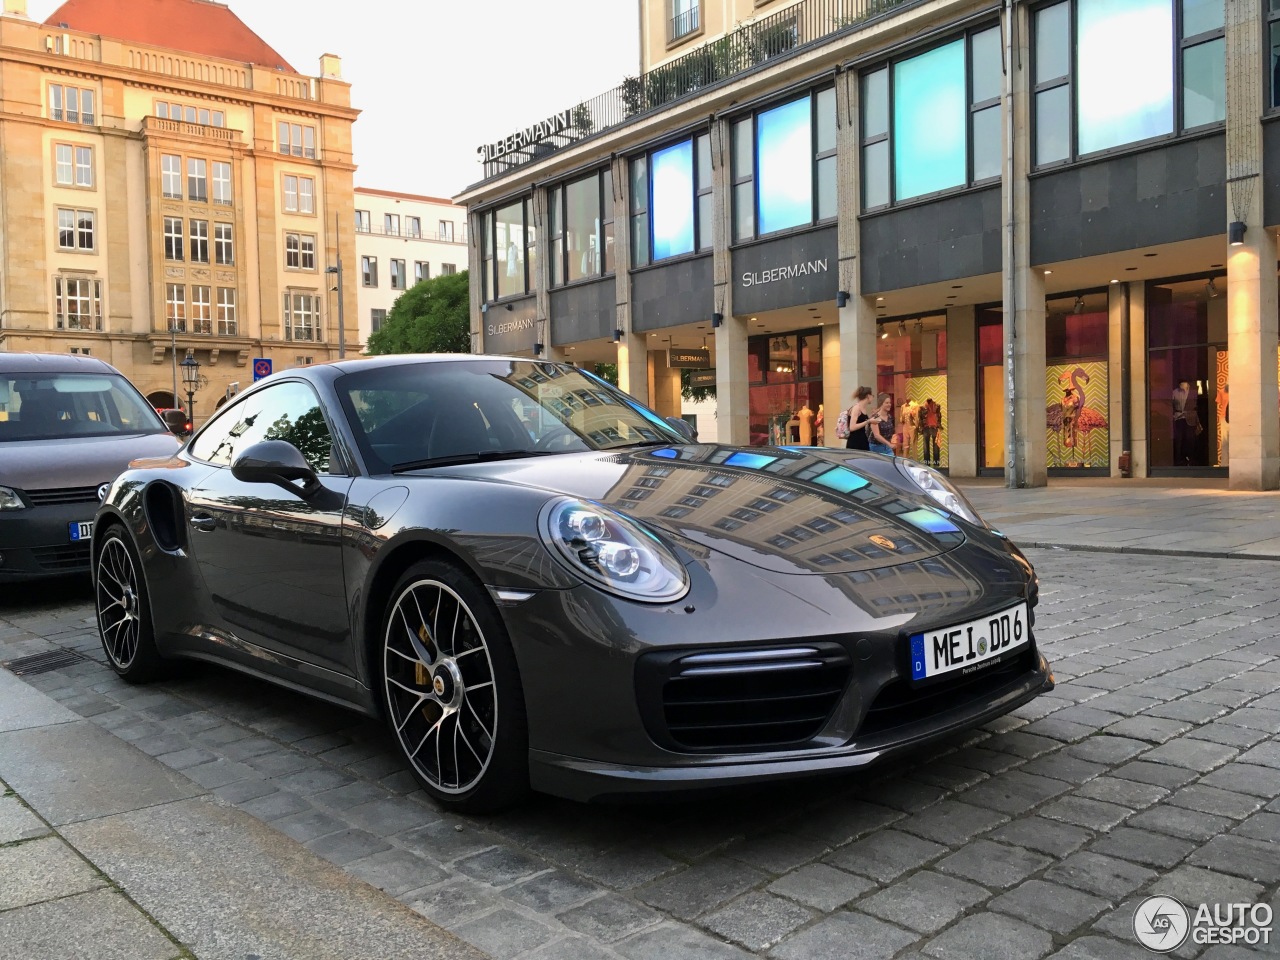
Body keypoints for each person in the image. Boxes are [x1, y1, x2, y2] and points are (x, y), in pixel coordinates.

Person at [845, 387, 873, 451]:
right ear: (868, 396)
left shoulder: (863, 408)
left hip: (862, 440)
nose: (872, 398)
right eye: (872, 395)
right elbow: (852, 427)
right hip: (855, 442)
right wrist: (868, 421)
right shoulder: (856, 408)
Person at [921, 398, 942, 466]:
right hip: (926, 428)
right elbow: (920, 418)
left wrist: (939, 426)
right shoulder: (923, 407)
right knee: (926, 447)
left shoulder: (937, 406)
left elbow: (939, 416)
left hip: (934, 427)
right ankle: (927, 464)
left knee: (936, 447)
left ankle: (936, 464)